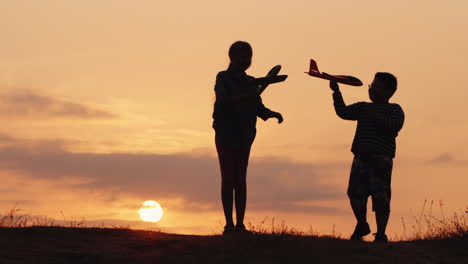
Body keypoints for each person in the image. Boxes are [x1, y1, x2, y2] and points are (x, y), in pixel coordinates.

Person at [213, 41, 284, 234]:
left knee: (240, 179)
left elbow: (259, 108)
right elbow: (223, 100)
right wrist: (247, 95)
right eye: (242, 56)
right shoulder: (223, 78)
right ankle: (229, 224)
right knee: (228, 177)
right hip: (226, 134)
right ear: (232, 57)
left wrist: (272, 113)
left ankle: (240, 224)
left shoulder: (252, 82)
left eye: (249, 57)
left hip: (245, 136)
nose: (246, 60)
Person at [329, 73, 405, 242]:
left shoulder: (395, 110)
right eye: (372, 86)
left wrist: (372, 114)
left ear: (389, 92)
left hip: (381, 159)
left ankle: (381, 233)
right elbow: (343, 112)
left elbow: (393, 126)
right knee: (355, 193)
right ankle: (362, 224)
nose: (372, 89)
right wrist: (336, 92)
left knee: (381, 196)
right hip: (360, 158)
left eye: (377, 87)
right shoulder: (363, 107)